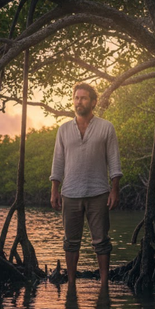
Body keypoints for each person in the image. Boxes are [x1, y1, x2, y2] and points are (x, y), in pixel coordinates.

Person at [50, 82, 122, 288]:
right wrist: (55, 190)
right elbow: (58, 162)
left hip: (99, 192)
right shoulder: (63, 130)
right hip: (70, 193)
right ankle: (71, 284)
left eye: (83, 98)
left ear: (93, 101)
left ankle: (104, 284)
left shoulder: (106, 127)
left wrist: (114, 189)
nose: (78, 101)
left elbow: (114, 161)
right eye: (76, 98)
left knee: (101, 241)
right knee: (71, 242)